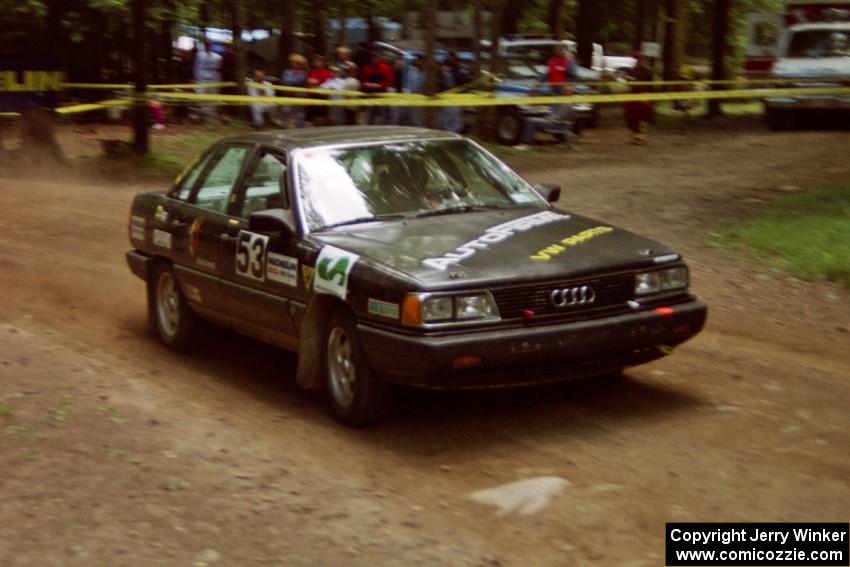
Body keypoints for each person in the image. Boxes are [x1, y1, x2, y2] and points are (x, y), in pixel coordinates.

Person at [623, 52, 653, 144]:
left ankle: (640, 137)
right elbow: (628, 83)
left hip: (643, 96)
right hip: (632, 96)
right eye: (636, 59)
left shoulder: (647, 71)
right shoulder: (632, 70)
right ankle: (635, 136)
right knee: (632, 117)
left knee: (642, 117)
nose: (638, 61)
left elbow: (651, 85)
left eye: (639, 59)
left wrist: (648, 97)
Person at [360, 51, 395, 124]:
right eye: (372, 58)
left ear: (379, 58)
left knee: (384, 115)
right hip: (370, 95)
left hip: (382, 95)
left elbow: (390, 82)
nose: (373, 60)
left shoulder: (386, 68)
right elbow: (363, 81)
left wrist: (380, 85)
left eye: (375, 57)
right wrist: (366, 85)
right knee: (370, 115)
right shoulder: (366, 68)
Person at [193, 41, 223, 121]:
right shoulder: (199, 55)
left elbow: (219, 68)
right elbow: (196, 67)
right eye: (206, 45)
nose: (207, 47)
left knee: (212, 97)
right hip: (202, 79)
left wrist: (216, 70)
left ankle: (211, 116)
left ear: (211, 46)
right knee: (201, 97)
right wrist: (196, 78)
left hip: (213, 80)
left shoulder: (217, 57)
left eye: (209, 45)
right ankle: (204, 114)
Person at [281, 53, 308, 128]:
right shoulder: (287, 72)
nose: (292, 63)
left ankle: (300, 127)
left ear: (299, 63)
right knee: (285, 110)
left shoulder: (303, 73)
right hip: (288, 94)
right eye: (291, 62)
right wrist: (290, 82)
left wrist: (290, 81)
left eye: (294, 62)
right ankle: (285, 126)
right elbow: (284, 80)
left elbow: (298, 81)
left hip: (299, 95)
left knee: (299, 113)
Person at [306, 55, 333, 125]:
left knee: (321, 117)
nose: (317, 63)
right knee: (311, 118)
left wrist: (316, 83)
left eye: (319, 61)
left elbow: (328, 84)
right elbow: (309, 83)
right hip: (312, 97)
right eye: (316, 61)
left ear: (323, 63)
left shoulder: (328, 73)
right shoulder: (311, 72)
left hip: (322, 97)